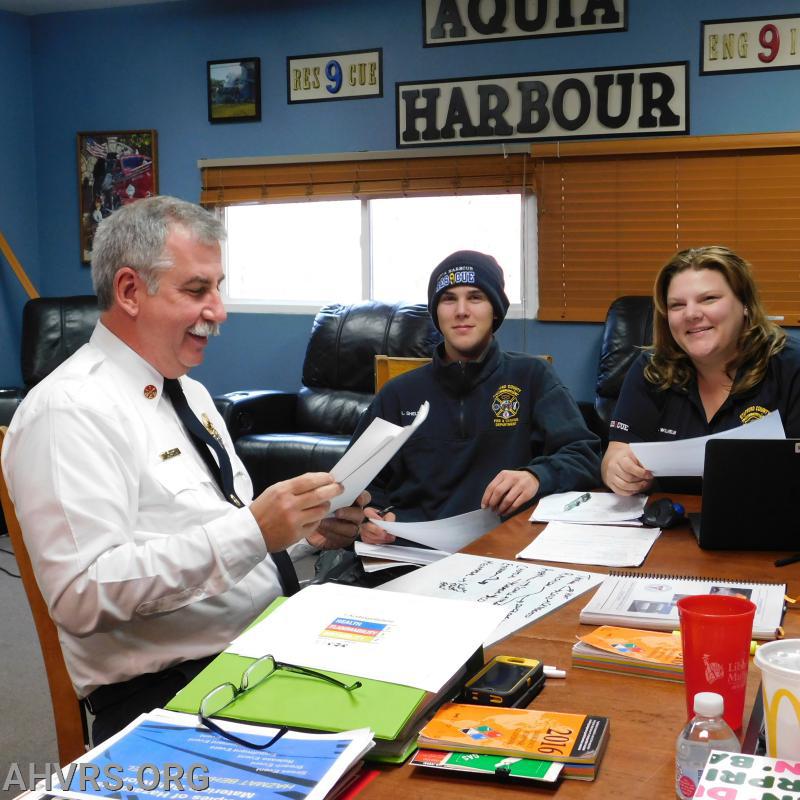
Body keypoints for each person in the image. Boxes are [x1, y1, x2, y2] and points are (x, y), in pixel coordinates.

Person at [1, 196, 367, 743]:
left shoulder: (190, 393)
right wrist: (253, 530)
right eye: (197, 290)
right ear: (129, 291)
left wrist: (303, 535)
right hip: (171, 698)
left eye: (218, 287)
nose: (219, 311)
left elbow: (209, 533)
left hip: (258, 655)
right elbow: (81, 593)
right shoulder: (68, 411)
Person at [357, 250, 601, 542]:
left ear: (495, 309)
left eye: (475, 297)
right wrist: (369, 515)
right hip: (411, 553)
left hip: (505, 551)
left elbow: (585, 456)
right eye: (449, 299)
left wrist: (537, 476)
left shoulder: (531, 377)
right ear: (436, 311)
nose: (461, 310)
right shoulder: (398, 393)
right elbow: (359, 485)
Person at [602, 245, 800, 496]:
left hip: (769, 523)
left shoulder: (790, 366)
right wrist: (618, 471)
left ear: (745, 305)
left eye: (709, 299)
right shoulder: (650, 369)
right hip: (671, 525)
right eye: (677, 305)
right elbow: (617, 451)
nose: (692, 314)